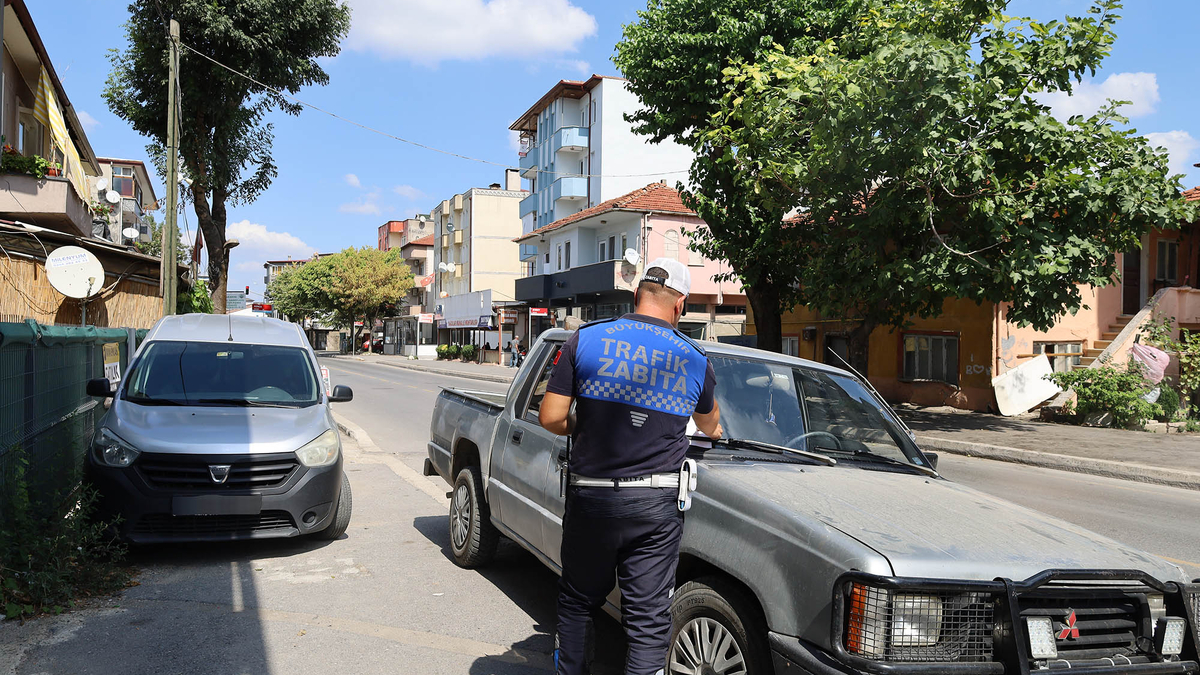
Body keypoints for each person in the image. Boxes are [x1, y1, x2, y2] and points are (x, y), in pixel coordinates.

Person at [539, 258, 722, 675]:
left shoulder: (584, 340)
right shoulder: (694, 358)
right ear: (680, 306)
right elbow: (712, 427)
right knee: (647, 620)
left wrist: (589, 421)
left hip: (592, 499)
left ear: (637, 295)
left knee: (578, 600)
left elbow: (550, 418)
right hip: (655, 505)